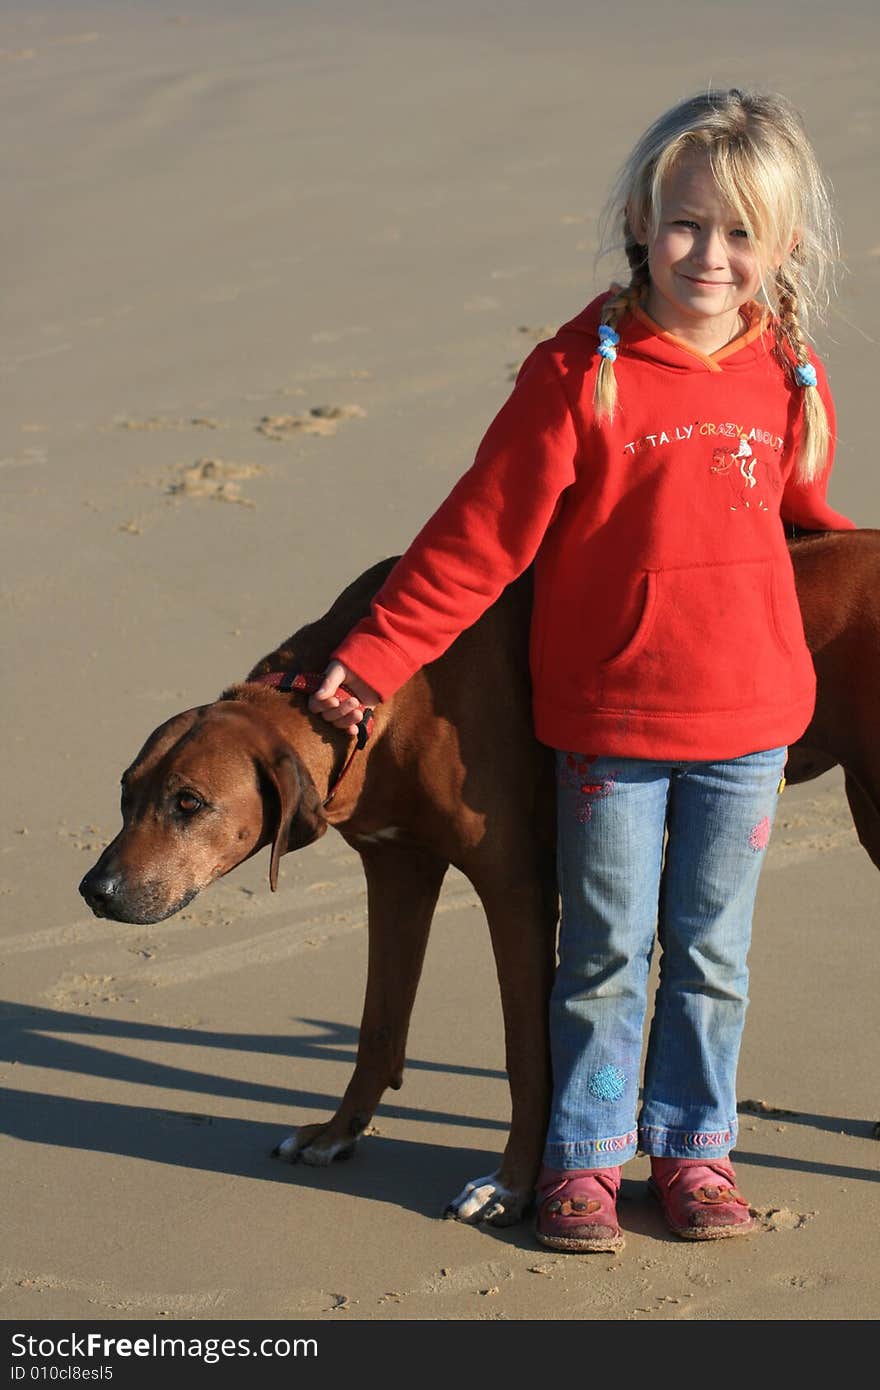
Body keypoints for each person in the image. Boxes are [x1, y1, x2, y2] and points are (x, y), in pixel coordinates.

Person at [308, 89, 855, 1251]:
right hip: (610, 722)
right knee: (604, 951)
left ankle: (696, 1149)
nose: (711, 255)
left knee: (712, 955)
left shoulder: (789, 377)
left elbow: (799, 519)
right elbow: (473, 541)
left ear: (785, 246)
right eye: (687, 225)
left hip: (752, 725)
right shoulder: (577, 376)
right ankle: (586, 1156)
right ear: (638, 217)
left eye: (742, 233)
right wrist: (366, 662)